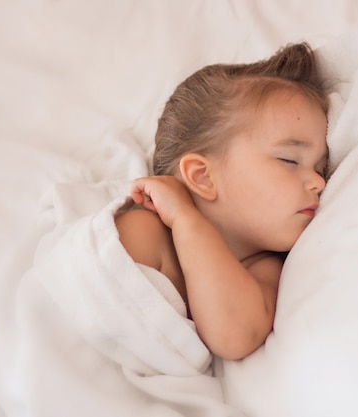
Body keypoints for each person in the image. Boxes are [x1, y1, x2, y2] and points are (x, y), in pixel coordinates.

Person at [115, 43, 329, 360]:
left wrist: (188, 221)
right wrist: (184, 219)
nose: (319, 182)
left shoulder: (265, 268)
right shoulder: (145, 230)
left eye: (320, 168)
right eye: (289, 160)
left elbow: (234, 337)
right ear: (203, 177)